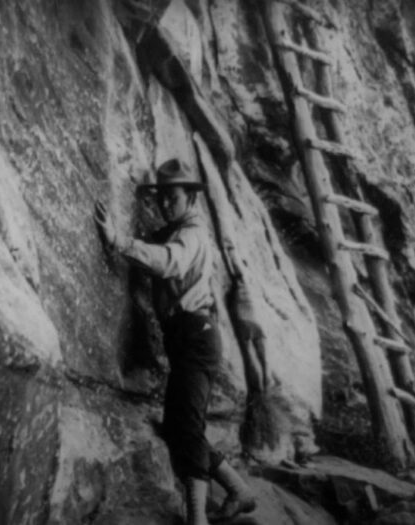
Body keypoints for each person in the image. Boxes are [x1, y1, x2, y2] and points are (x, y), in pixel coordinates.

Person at [94, 159, 256, 525]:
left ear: (191, 199)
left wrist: (119, 240)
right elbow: (160, 246)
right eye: (162, 198)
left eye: (174, 197)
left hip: (195, 336)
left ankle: (197, 518)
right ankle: (239, 491)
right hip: (187, 337)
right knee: (178, 426)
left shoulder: (191, 234)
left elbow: (170, 261)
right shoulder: (178, 228)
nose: (167, 204)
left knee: (187, 428)